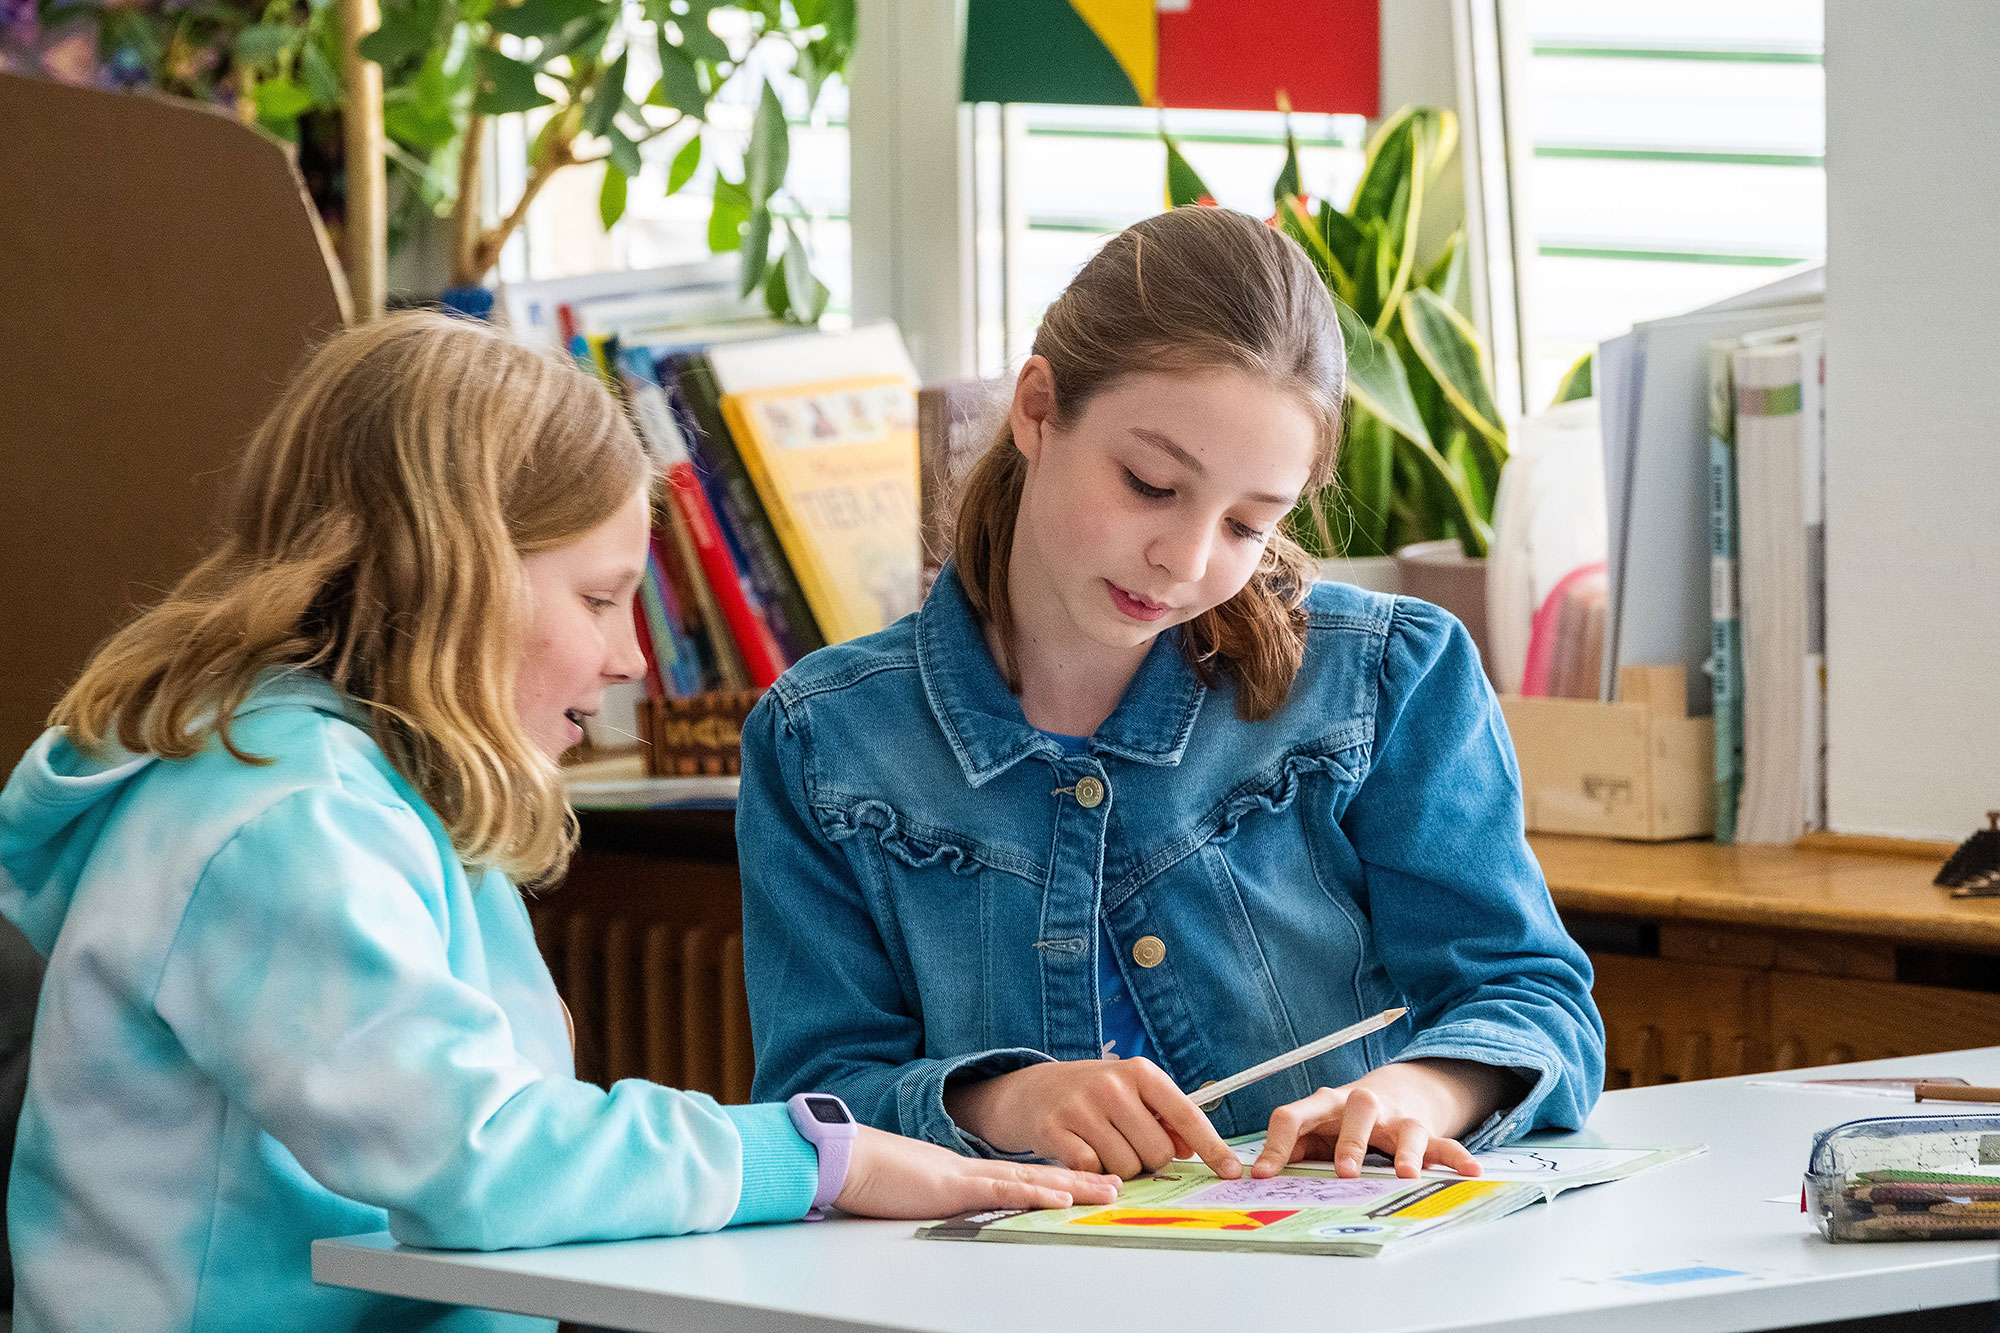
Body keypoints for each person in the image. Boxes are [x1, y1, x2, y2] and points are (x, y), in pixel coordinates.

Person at [0, 313, 1115, 1333]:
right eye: (595, 597)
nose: (629, 656)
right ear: (449, 576)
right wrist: (814, 1157)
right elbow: (478, 1159)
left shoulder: (367, 792)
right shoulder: (284, 820)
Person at [740, 206, 1605, 1188]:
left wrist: (1418, 1093)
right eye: (1151, 483)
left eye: (1246, 524)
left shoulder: (1387, 676)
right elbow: (812, 1097)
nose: (1185, 559)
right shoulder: (821, 739)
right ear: (1035, 406)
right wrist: (1004, 1100)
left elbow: (1532, 998)